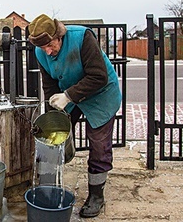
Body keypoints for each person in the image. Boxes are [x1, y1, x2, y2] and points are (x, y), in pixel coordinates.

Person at [28, 14, 122, 218]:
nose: (48, 52)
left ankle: (96, 196)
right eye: (43, 48)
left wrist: (68, 96)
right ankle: (50, 187)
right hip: (69, 94)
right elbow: (49, 84)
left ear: (59, 36)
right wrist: (53, 113)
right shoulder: (40, 51)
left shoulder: (82, 37)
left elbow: (99, 75)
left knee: (98, 142)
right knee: (54, 134)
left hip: (101, 93)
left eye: (51, 46)